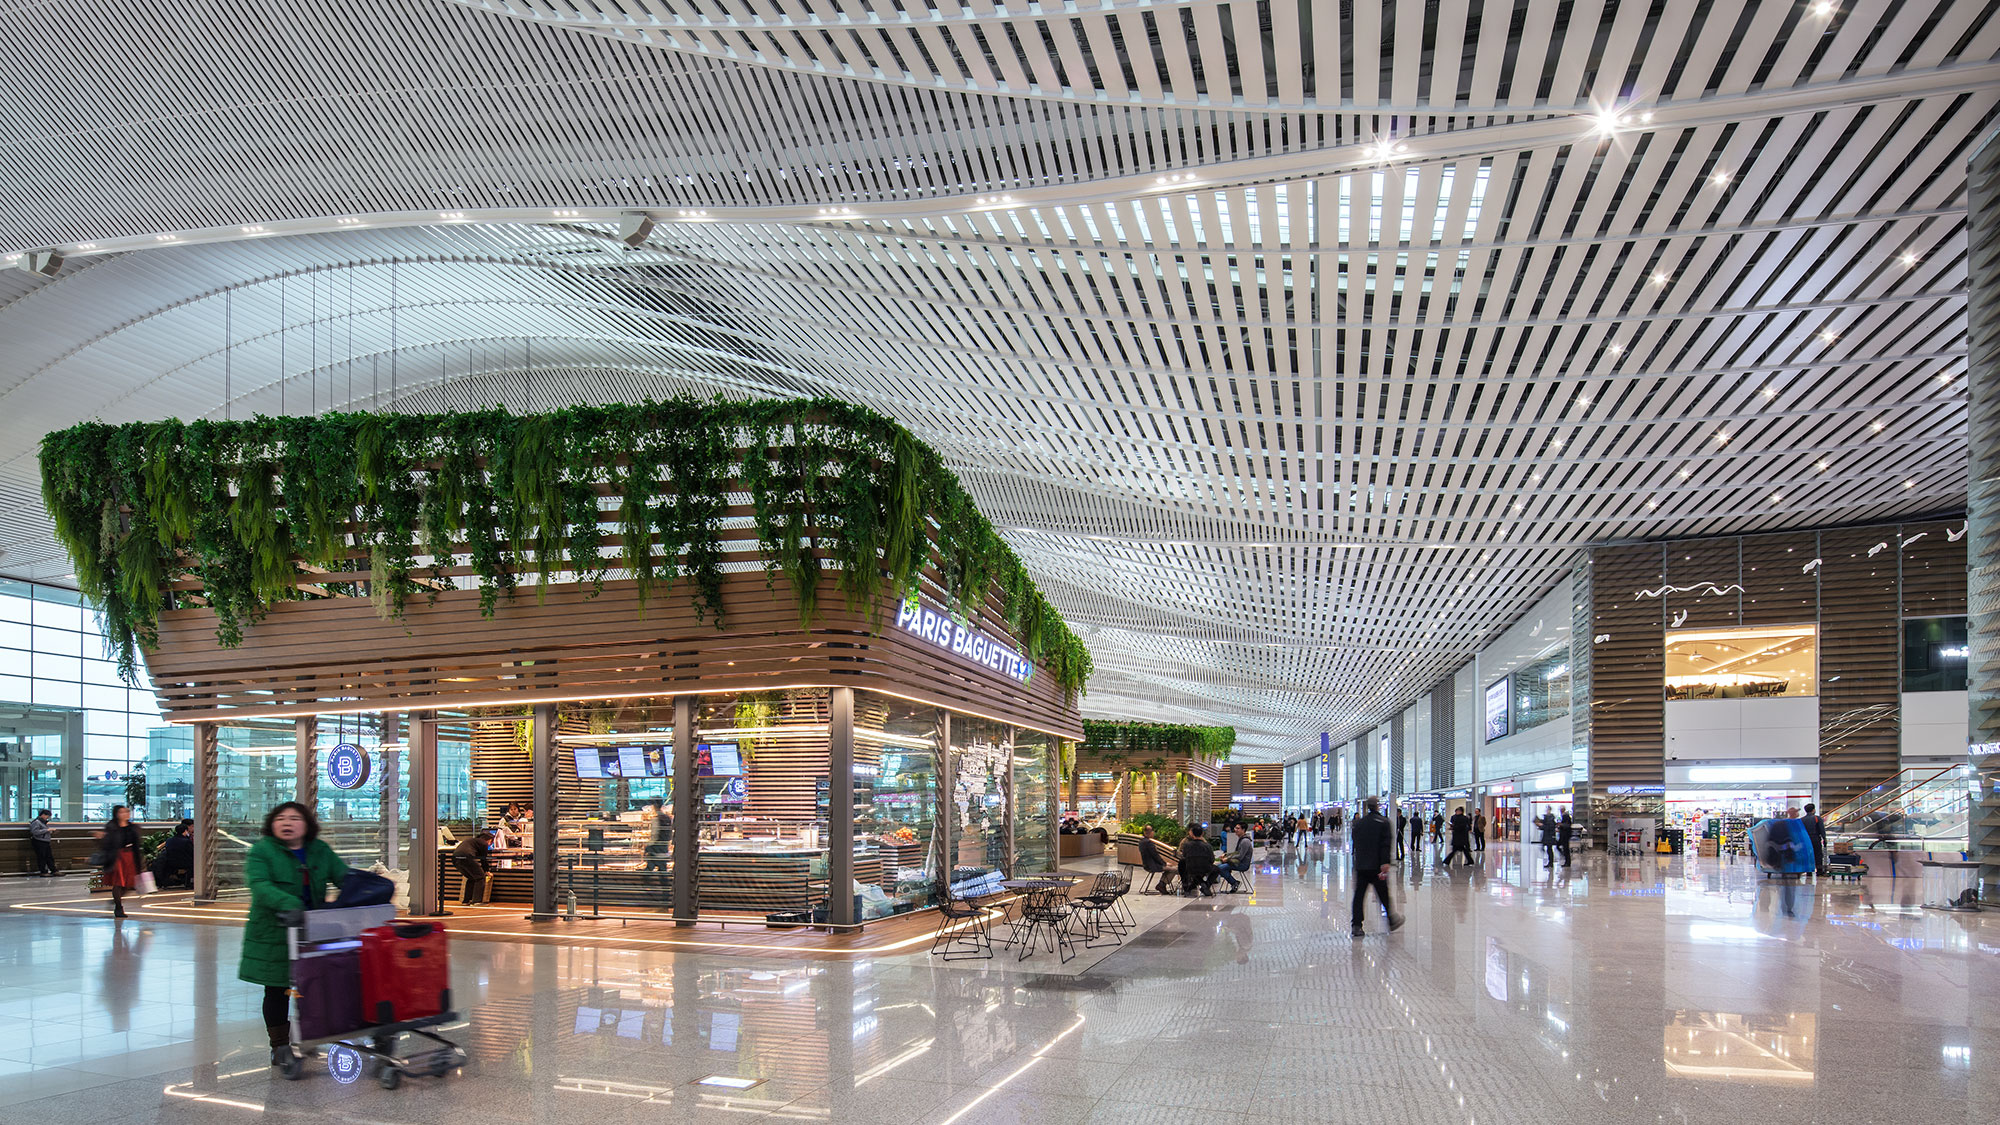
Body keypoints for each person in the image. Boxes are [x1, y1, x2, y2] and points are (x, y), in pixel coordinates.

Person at [239, 801, 348, 1066]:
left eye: (294, 818)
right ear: (272, 824)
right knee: (277, 988)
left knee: (312, 984)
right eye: (281, 818)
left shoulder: (319, 850)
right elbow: (260, 885)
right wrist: (290, 904)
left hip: (313, 930)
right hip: (274, 932)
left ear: (307, 825)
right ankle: (279, 1046)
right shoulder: (262, 851)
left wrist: (365, 890)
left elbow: (344, 876)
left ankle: (308, 1034)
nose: (287, 823)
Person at [1349, 796, 1403, 936]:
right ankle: (1392, 919)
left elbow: (1355, 841)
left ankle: (1356, 925)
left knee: (1359, 895)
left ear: (1367, 807)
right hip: (1377, 866)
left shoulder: (1359, 823)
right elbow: (1386, 844)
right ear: (1377, 806)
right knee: (1383, 894)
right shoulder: (1384, 822)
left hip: (1361, 865)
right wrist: (1385, 862)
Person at [97, 804, 142, 918]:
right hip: (117, 857)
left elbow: (137, 844)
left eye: (127, 812)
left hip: (130, 856)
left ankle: (116, 900)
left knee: (129, 883)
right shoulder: (112, 826)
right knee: (118, 882)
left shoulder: (132, 827)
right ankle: (118, 907)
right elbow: (107, 843)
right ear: (117, 814)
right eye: (122, 812)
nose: (125, 814)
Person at [149, 818, 195, 889]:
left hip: (170, 862)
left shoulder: (169, 840)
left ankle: (164, 883)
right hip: (184, 863)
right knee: (194, 864)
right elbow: (191, 853)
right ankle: (188, 883)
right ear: (185, 831)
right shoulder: (186, 841)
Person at [452, 829, 494, 905]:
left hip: (455, 858)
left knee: (471, 877)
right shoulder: (483, 843)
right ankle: (477, 901)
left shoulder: (472, 840)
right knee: (480, 877)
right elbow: (483, 859)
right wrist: (487, 871)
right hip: (467, 857)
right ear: (489, 840)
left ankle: (466, 900)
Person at [1177, 825, 1218, 896]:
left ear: (1192, 833)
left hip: (1190, 868)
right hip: (1206, 868)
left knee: (1187, 867)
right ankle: (1206, 885)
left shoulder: (1187, 845)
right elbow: (1212, 859)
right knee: (1217, 870)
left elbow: (1184, 856)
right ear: (1202, 834)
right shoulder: (1207, 846)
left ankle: (1191, 886)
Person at [1136, 826, 1178, 894]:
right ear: (1151, 832)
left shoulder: (1141, 842)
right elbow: (1156, 856)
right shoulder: (1149, 843)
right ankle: (1162, 884)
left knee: (1169, 869)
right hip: (1153, 866)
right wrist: (1164, 863)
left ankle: (1162, 884)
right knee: (1174, 869)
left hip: (1147, 865)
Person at [1219, 824, 1255, 892]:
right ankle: (1234, 883)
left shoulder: (1245, 841)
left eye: (1238, 828)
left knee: (1220, 868)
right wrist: (1226, 854)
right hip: (1238, 862)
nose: (1235, 830)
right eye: (1235, 828)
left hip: (1242, 864)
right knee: (1220, 867)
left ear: (1243, 830)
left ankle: (1234, 883)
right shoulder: (1241, 840)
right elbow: (1236, 852)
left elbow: (1240, 856)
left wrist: (1227, 859)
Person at [27, 808, 57, 876]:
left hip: (45, 841)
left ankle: (53, 870)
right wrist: (47, 830)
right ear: (43, 815)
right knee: (42, 857)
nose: (48, 818)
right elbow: (35, 832)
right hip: (39, 841)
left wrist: (49, 831)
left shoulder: (43, 823)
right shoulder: (36, 822)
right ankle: (43, 871)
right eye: (47, 816)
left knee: (49, 857)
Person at [1801, 802, 1828, 875]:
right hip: (1815, 838)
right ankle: (1819, 871)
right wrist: (1824, 838)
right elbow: (1821, 829)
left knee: (1808, 855)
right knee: (1818, 855)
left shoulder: (1802, 820)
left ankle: (1808, 871)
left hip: (1806, 840)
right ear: (1813, 810)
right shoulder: (1817, 818)